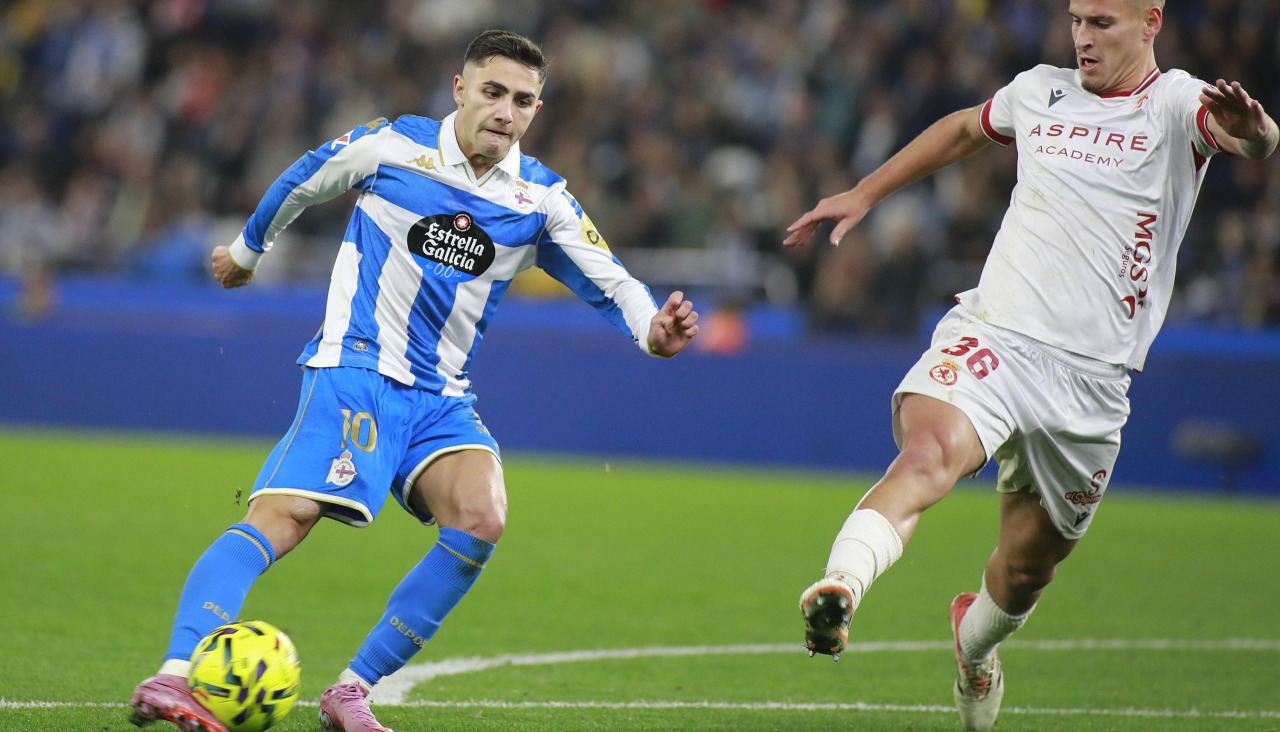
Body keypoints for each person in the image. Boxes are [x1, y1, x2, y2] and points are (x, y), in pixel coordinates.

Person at [129, 29, 699, 732]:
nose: (504, 111)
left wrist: (653, 332)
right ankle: (174, 675)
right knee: (284, 518)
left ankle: (350, 692)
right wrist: (248, 253)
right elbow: (308, 175)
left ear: (536, 109)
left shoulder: (540, 200)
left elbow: (612, 281)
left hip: (441, 398)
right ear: (459, 90)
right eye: (492, 91)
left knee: (483, 515)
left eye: (522, 100)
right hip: (358, 368)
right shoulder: (395, 146)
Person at [783, 1, 1276, 730]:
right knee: (930, 454)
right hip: (999, 336)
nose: (1083, 37)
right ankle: (842, 588)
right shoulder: (1040, 90)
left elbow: (1255, 142)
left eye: (1103, 22)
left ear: (1151, 22)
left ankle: (974, 646)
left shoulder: (1176, 103)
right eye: (1077, 19)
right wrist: (865, 192)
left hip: (1093, 383)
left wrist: (1257, 129)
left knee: (1024, 572)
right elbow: (960, 129)